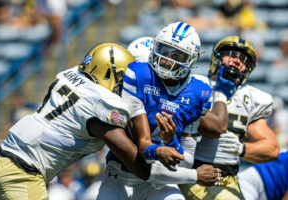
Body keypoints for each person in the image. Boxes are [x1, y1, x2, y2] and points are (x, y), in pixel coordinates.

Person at [0, 43, 203, 200]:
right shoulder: (102, 103)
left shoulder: (69, 76)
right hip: (21, 175)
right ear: (112, 73)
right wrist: (192, 173)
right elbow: (140, 168)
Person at [97, 22, 236, 200]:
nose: (166, 59)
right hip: (120, 175)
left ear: (190, 59)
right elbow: (143, 145)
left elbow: (185, 163)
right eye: (163, 50)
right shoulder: (139, 74)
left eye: (176, 55)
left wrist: (171, 142)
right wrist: (194, 175)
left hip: (161, 181)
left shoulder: (198, 92)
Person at [178, 36, 280, 200]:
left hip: (228, 179)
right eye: (231, 55)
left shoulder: (252, 98)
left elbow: (272, 149)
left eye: (244, 60)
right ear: (216, 58)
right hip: (194, 172)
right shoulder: (195, 84)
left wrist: (242, 149)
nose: (237, 61)